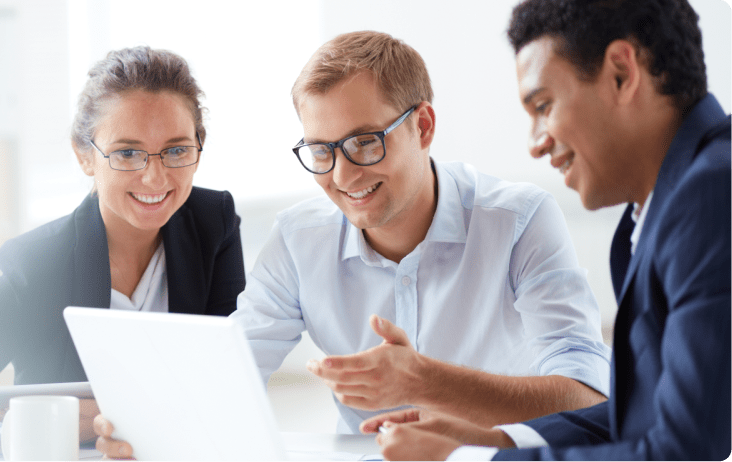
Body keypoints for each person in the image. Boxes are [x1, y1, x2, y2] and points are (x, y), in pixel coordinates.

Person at [93, 31, 612, 458]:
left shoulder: (519, 222)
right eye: (321, 150)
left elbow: (588, 399)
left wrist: (427, 382)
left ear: (423, 126)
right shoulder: (300, 239)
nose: (342, 175)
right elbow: (230, 371)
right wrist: (139, 423)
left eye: (365, 141)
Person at [367, 0, 731, 460]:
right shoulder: (674, 202)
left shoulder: (712, 197)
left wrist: (461, 460)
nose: (536, 144)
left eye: (543, 106)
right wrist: (492, 439)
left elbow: (682, 451)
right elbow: (652, 413)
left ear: (621, 73)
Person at [0, 46, 246, 443]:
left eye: (176, 150)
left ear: (198, 149)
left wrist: (120, 411)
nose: (155, 177)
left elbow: (230, 378)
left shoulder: (212, 221)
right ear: (84, 155)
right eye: (127, 152)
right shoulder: (40, 263)